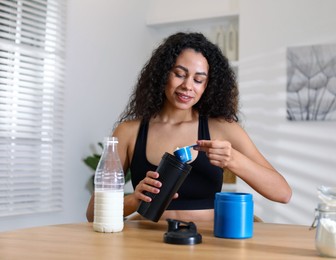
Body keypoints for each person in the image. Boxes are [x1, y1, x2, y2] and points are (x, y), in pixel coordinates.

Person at [86, 32, 292, 222]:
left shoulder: (223, 128)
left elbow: (282, 193)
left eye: (199, 79)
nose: (188, 86)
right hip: (146, 242)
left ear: (207, 86)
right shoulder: (128, 132)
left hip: (210, 242)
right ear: (163, 74)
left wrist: (233, 159)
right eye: (179, 74)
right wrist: (133, 200)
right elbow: (92, 213)